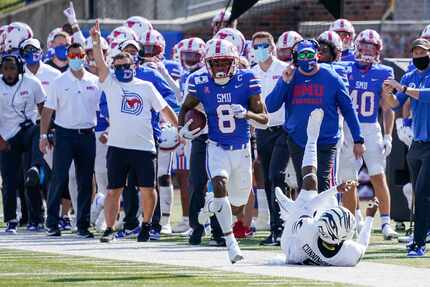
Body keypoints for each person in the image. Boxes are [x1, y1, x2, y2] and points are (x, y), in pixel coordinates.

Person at [88, 20, 178, 243]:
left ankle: (147, 225)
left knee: (148, 189)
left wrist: (180, 130)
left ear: (134, 65)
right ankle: (110, 228)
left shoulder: (145, 86)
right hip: (118, 145)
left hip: (144, 145)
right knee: (113, 190)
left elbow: (165, 109)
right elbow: (100, 63)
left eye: (125, 65)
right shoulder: (110, 84)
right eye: (117, 66)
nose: (121, 69)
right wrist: (96, 42)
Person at [179, 39, 268, 263]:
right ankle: (231, 243)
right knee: (219, 183)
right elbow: (186, 108)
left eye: (224, 63)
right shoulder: (199, 82)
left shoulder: (247, 79)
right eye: (215, 64)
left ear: (234, 62)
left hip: (242, 149)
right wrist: (184, 130)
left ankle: (212, 205)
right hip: (216, 146)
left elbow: (265, 120)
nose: (219, 68)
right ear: (208, 64)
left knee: (237, 206)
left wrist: (246, 114)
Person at [275, 108, 378, 266]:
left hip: (291, 241)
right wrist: (370, 216)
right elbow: (362, 246)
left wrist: (335, 189)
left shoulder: (308, 230)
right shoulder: (348, 256)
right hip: (312, 245)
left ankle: (312, 138)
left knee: (310, 185)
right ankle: (292, 207)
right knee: (328, 203)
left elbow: (310, 205)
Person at [266, 39, 364, 193]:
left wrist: (358, 139)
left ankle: (323, 216)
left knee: (322, 184)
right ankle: (308, 217)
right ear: (296, 58)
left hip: (325, 140)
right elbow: (271, 106)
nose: (306, 59)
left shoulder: (331, 77)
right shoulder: (290, 76)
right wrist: (284, 81)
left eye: (309, 54)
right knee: (304, 184)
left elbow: (348, 109)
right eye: (302, 55)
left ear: (317, 55)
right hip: (299, 140)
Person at [337, 29, 398, 240]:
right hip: (347, 128)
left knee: (378, 176)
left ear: (379, 50)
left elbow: (389, 107)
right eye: (365, 46)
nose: (368, 51)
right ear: (357, 46)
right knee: (348, 180)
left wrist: (389, 135)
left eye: (373, 47)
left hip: (371, 128)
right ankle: (351, 222)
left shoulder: (384, 72)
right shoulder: (344, 68)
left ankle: (385, 223)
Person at [39, 42, 102, 238]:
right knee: (59, 178)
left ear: (84, 56)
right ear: (68, 57)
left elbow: (103, 109)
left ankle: (82, 225)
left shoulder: (94, 80)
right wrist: (43, 136)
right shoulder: (59, 81)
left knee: (85, 181)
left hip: (87, 135)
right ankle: (52, 222)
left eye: (79, 55)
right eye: (72, 55)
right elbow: (48, 111)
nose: (76, 58)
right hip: (64, 134)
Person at [382, 38, 430, 257]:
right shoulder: (410, 76)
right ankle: (419, 237)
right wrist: (386, 92)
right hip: (417, 144)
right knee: (419, 195)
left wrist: (401, 87)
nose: (419, 57)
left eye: (423, 53)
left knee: (421, 194)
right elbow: (395, 104)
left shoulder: (416, 80)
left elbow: (426, 96)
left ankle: (419, 243)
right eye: (416, 53)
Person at [250, 31, 290, 246]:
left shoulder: (283, 69)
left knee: (277, 175)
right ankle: (275, 227)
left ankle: (283, 226)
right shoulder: (251, 72)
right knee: (267, 177)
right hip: (262, 130)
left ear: (273, 46)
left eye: (263, 45)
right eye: (255, 46)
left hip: (283, 129)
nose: (259, 50)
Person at [0, 54, 46, 233]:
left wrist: (45, 131)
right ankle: (11, 219)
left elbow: (44, 108)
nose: (9, 72)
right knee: (9, 181)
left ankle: (37, 219)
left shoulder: (32, 82)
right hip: (7, 137)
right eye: (5, 68)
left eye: (12, 68)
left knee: (31, 178)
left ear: (19, 69)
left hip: (28, 130)